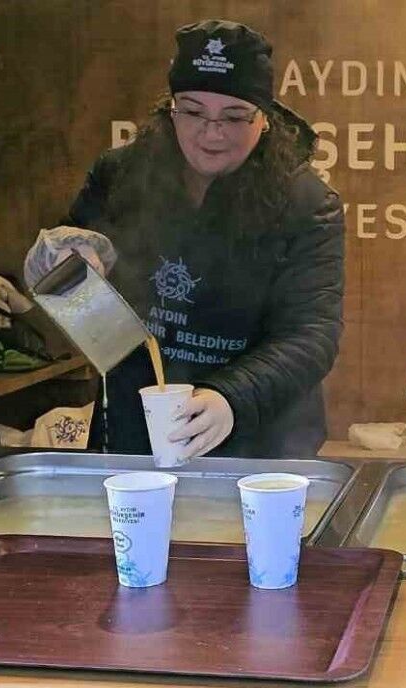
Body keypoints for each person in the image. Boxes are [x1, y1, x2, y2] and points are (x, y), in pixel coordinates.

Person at [24, 19, 345, 461]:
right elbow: (72, 269)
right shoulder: (121, 174)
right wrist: (64, 264)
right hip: (136, 420)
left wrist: (230, 398)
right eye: (193, 112)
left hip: (257, 436)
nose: (212, 133)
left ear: (264, 119)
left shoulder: (306, 204)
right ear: (170, 108)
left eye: (234, 116)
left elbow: (311, 335)